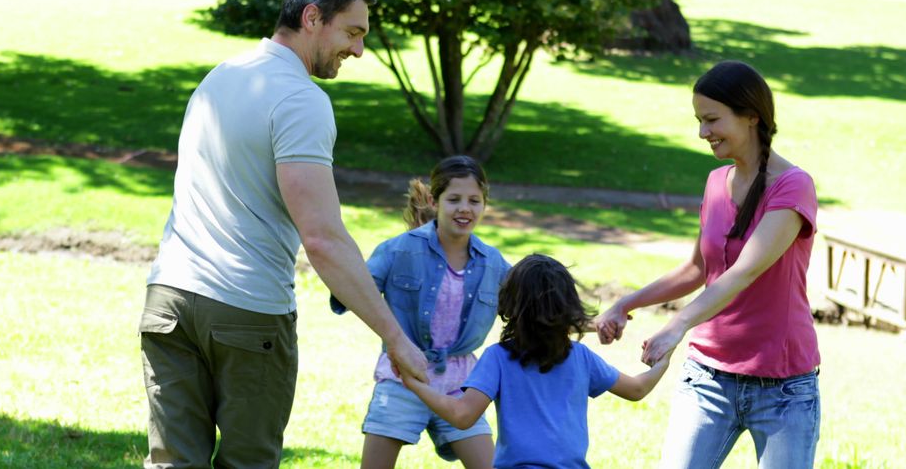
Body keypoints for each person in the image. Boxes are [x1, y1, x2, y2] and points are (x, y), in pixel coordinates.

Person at [137, 0, 428, 469]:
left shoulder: (221, 76)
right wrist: (396, 338)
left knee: (171, 464)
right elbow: (323, 239)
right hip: (246, 312)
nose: (359, 49)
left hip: (169, 302)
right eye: (353, 32)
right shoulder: (301, 100)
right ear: (312, 17)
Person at [594, 60, 821, 468]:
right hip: (708, 378)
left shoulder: (793, 185)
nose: (703, 133)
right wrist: (625, 304)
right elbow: (697, 269)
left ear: (751, 116)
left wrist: (678, 323)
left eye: (712, 120)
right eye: (699, 120)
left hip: (783, 387)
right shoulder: (717, 182)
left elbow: (745, 269)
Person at [401, 254, 672, 469]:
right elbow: (637, 389)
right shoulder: (581, 357)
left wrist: (415, 384)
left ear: (509, 305)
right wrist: (663, 360)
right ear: (569, 307)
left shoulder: (498, 357)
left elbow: (462, 416)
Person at [332, 155, 510, 469]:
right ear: (434, 199)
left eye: (474, 201)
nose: (464, 209)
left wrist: (589, 322)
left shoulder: (492, 262)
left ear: (485, 204)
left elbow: (533, 304)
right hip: (401, 376)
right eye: (453, 199)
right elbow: (353, 289)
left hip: (460, 384)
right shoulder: (398, 249)